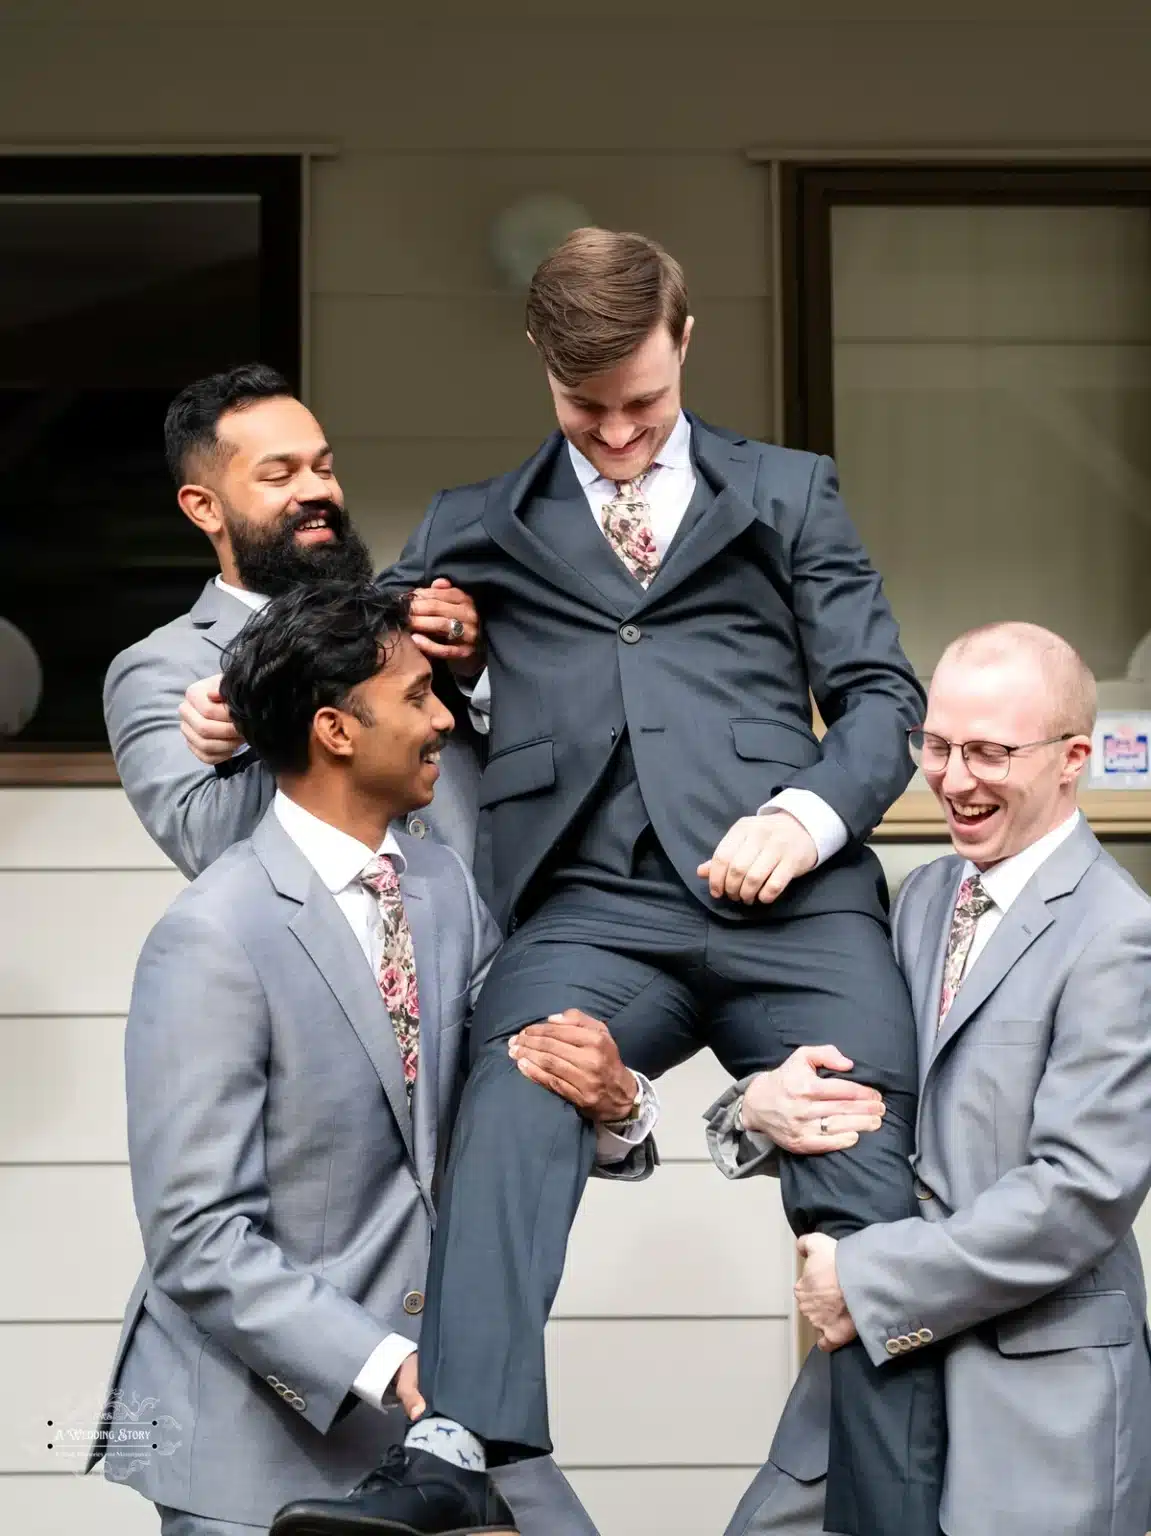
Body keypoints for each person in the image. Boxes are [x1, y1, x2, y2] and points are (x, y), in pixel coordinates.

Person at [275, 227, 942, 1536]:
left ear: (683, 343)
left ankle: (888, 1512)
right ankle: (456, 1456)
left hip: (791, 903)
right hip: (588, 906)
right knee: (519, 1070)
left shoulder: (790, 491)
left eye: (641, 403)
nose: (621, 436)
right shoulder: (473, 522)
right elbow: (371, 675)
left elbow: (878, 696)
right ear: (538, 364)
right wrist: (394, 655)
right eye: (587, 410)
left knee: (855, 1148)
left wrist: (805, 818)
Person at [91, 581, 658, 1536]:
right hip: (258, 1441)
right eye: (416, 697)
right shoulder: (211, 938)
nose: (445, 717)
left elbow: (497, 1077)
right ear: (335, 731)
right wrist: (387, 1363)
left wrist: (616, 1104)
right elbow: (197, 1238)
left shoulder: (437, 881)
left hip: (440, 1416)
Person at [710, 621, 1151, 1536]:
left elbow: (1081, 1191)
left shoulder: (1119, 933)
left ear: (1073, 757)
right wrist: (754, 1108)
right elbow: (859, 1085)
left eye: (987, 751)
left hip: (1035, 1404)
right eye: (937, 745)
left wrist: (866, 1277)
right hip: (874, 1376)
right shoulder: (915, 900)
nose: (951, 779)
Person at [104, 364, 485, 878]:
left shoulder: (407, 618)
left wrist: (477, 669)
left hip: (492, 935)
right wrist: (274, 705)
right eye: (280, 475)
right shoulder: (158, 670)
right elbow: (210, 846)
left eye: (324, 469)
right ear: (204, 509)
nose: (317, 492)